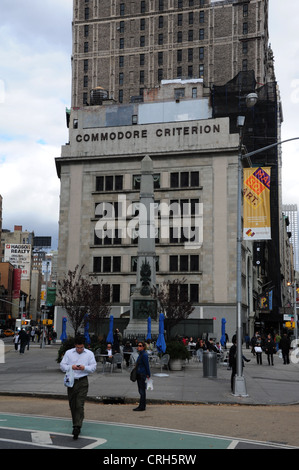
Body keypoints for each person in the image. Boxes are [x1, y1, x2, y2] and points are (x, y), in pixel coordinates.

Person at [60, 335, 97, 439]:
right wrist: (71, 367)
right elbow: (62, 366)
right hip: (71, 380)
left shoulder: (89, 354)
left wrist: (84, 367)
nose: (79, 349)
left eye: (81, 347)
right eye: (78, 347)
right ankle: (75, 422)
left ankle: (77, 426)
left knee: (79, 404)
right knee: (72, 404)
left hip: (83, 381)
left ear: (84, 346)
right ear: (75, 346)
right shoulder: (69, 353)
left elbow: (93, 367)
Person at [134, 341, 151, 412]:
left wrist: (148, 374)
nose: (138, 347)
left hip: (142, 374)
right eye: (138, 345)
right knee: (141, 390)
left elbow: (147, 365)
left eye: (140, 346)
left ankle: (142, 406)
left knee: (142, 390)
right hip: (139, 373)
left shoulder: (144, 355)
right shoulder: (141, 354)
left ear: (143, 347)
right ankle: (141, 405)